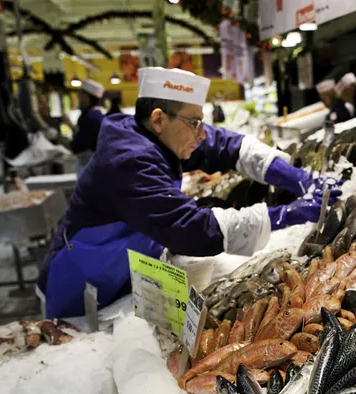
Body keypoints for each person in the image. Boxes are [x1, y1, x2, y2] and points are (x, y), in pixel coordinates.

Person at [37, 67, 340, 319]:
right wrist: (288, 214)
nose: (201, 132)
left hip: (125, 271)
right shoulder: (128, 160)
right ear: (158, 119)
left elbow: (224, 145)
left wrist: (299, 178)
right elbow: (192, 229)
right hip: (81, 287)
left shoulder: (160, 136)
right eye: (194, 122)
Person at [70, 79, 105, 171]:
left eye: (80, 94)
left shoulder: (91, 117)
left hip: (91, 167)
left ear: (87, 96)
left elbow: (78, 144)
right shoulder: (94, 115)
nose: (78, 96)